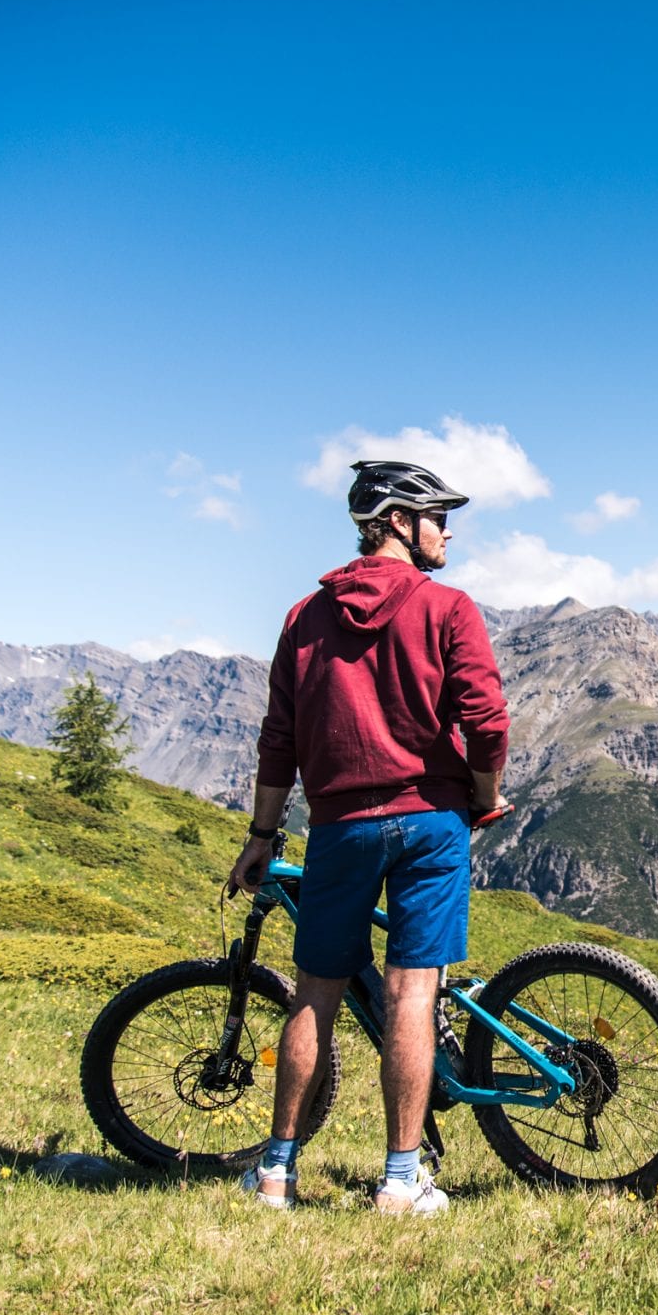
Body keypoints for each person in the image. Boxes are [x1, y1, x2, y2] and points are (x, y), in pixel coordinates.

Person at [227, 459, 510, 1217]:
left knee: (314, 991)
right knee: (413, 989)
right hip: (430, 821)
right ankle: (399, 1178)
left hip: (340, 826)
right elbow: (486, 720)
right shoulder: (447, 607)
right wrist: (483, 797)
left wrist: (262, 833)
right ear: (396, 522)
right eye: (436, 516)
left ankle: (277, 1174)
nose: (446, 530)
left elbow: (277, 738)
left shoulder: (302, 618)